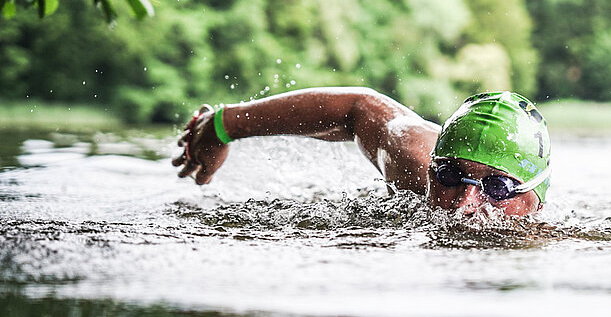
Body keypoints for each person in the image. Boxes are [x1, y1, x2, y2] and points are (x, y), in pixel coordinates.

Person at [173, 88, 551, 216]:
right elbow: (360, 107)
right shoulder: (414, 168)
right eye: (451, 175)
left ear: (536, 197)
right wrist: (224, 125)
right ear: (433, 167)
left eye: (498, 187)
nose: (465, 202)